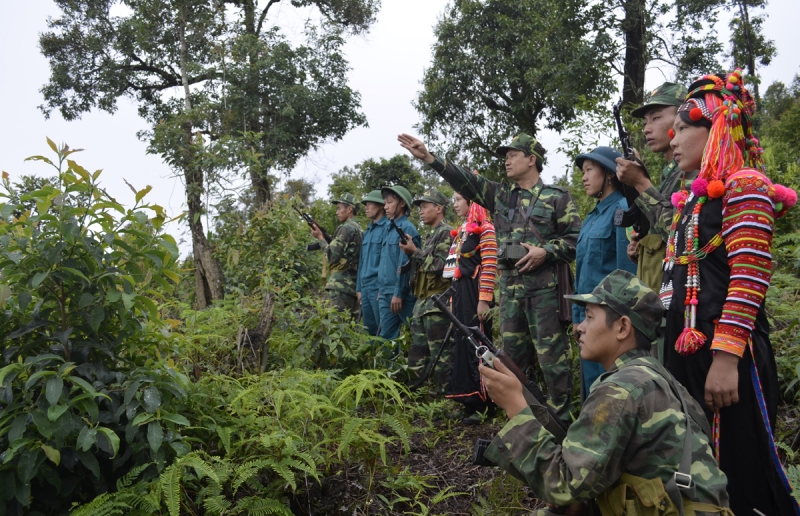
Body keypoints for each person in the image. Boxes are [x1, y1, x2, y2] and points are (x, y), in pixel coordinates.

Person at [479, 270, 732, 515]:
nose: (579, 327)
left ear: (623, 328)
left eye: (589, 317)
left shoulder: (620, 390)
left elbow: (563, 485)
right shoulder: (658, 377)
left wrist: (515, 406)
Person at [661, 70, 799, 515]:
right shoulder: (694, 201)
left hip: (728, 357)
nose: (672, 137)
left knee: (738, 465)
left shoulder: (746, 185)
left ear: (716, 127)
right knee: (693, 460)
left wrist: (724, 358)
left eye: (683, 128)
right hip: (686, 350)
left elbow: (750, 274)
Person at [399, 132, 580, 422]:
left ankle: (561, 420)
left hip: (544, 293)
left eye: (512, 155)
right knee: (511, 361)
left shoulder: (556, 197)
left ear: (531, 159)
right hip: (510, 295)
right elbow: (466, 181)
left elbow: (575, 240)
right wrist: (430, 158)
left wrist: (545, 252)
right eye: (505, 156)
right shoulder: (502, 197)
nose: (506, 161)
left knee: (553, 360)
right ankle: (522, 420)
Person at [572, 147, 637, 400]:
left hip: (611, 321)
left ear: (609, 175)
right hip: (589, 320)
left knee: (612, 390)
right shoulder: (591, 217)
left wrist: (622, 322)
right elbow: (582, 274)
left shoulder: (623, 209)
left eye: (589, 170)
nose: (584, 177)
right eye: (583, 172)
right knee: (592, 387)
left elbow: (627, 270)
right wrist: (579, 317)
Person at [615, 82, 689, 295]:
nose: (647, 128)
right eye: (646, 121)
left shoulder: (692, 172)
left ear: (682, 118)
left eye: (656, 118)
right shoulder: (669, 173)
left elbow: (683, 234)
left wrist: (640, 183)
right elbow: (664, 238)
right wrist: (642, 246)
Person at [444, 191, 498, 424]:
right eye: (454, 200)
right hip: (461, 293)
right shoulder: (463, 229)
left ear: (471, 201)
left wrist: (484, 299)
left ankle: (486, 402)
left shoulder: (486, 228)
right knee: (462, 343)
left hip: (476, 293)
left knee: (478, 343)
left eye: (458, 199)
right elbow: (455, 267)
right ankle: (468, 400)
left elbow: (489, 264)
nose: (454, 204)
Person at [398, 189, 453, 391]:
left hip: (437, 305)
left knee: (441, 355)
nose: (420, 211)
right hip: (423, 304)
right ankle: (417, 395)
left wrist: (415, 252)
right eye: (419, 207)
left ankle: (448, 398)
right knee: (417, 353)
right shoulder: (432, 235)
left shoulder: (446, 232)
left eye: (424, 206)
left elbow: (440, 266)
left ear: (439, 208)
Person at [377, 185, 421, 343]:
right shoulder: (388, 229)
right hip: (385, 293)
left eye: (389, 202)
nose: (385, 206)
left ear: (401, 204)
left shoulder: (407, 228)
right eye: (385, 202)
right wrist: (381, 290)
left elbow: (406, 265)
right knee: (386, 340)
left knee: (415, 335)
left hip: (402, 295)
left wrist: (398, 293)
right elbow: (384, 262)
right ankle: (388, 368)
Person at [310, 192, 362, 316]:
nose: (336, 212)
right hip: (352, 287)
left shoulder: (346, 228)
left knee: (335, 328)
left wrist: (321, 239)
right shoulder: (360, 229)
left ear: (349, 209)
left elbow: (332, 256)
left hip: (340, 286)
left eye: (339, 208)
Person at [356, 190, 388, 336]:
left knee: (383, 330)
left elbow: (388, 262)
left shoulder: (387, 228)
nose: (366, 207)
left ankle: (387, 359)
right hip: (365, 286)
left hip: (378, 286)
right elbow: (361, 262)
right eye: (365, 204)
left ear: (381, 206)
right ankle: (372, 359)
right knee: (369, 331)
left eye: (370, 204)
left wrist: (383, 288)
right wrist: (359, 288)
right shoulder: (367, 231)